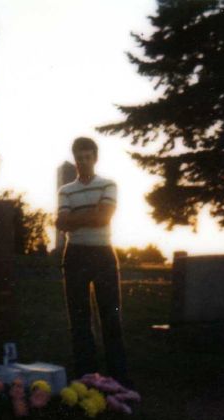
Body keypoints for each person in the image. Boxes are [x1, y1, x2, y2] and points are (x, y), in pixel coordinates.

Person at [56, 137, 131, 386]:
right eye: (79, 157)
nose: (83, 162)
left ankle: (118, 378)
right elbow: (62, 222)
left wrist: (76, 218)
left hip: (103, 254)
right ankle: (85, 376)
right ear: (75, 159)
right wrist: (93, 215)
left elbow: (103, 218)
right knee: (79, 319)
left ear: (95, 158)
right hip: (75, 254)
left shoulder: (109, 184)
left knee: (111, 315)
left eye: (88, 157)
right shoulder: (65, 190)